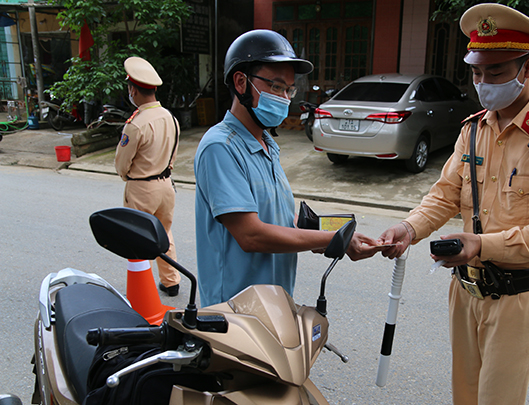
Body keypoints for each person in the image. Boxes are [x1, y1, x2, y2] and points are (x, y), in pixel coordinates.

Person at [377, 4, 529, 404]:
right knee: (466, 396)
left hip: (516, 298)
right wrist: (409, 228)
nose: (483, 82)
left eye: (495, 72)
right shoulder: (473, 129)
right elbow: (445, 195)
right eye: (476, 72)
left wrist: (482, 245)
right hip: (465, 292)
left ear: (526, 69)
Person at [194, 30, 380, 307]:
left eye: (289, 90)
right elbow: (251, 234)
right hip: (234, 310)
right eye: (276, 87)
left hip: (274, 302)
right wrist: (333, 239)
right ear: (241, 82)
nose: (284, 98)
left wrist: (340, 234)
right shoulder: (221, 147)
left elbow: (281, 219)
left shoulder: (266, 143)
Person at [115, 56, 181, 297]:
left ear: (133, 89)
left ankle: (141, 290)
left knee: (137, 238)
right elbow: (173, 155)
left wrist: (127, 177)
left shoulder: (135, 124)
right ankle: (171, 281)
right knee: (165, 232)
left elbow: (122, 165)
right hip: (166, 185)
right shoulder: (171, 118)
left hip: (142, 187)